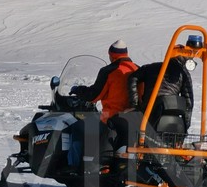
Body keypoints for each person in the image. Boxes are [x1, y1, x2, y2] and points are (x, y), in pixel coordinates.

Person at [65, 40, 138, 174]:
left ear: (112, 55)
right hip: (132, 120)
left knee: (77, 128)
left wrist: (79, 90)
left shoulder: (109, 71)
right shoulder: (137, 69)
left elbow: (94, 95)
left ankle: (74, 167)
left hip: (110, 118)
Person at [128, 55, 194, 131]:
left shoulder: (151, 67)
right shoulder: (183, 73)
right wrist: (185, 126)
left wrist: (135, 104)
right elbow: (189, 103)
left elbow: (133, 78)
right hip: (172, 116)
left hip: (149, 112)